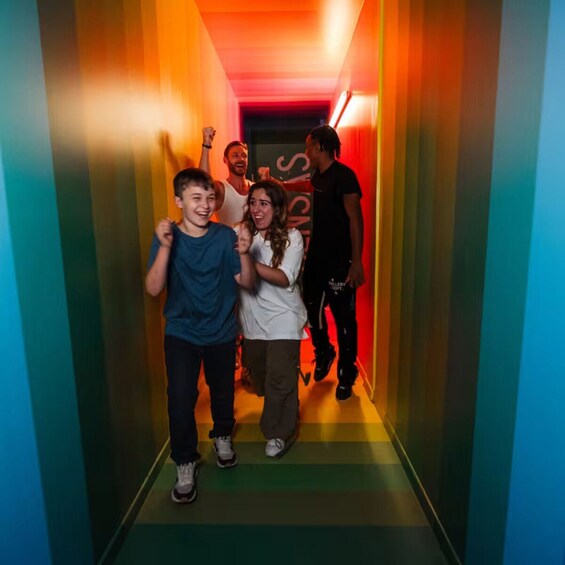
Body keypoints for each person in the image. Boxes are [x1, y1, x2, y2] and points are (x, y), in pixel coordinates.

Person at [146, 167, 255, 504]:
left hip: (221, 331)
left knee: (223, 391)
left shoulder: (224, 237)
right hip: (181, 332)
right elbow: (153, 288)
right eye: (196, 198)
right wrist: (165, 247)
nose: (205, 205)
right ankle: (185, 461)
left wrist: (244, 252)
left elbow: (247, 283)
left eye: (209, 197)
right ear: (179, 201)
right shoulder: (168, 237)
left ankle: (222, 435)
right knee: (180, 399)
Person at [238, 179, 307, 458]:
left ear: (277, 208)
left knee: (279, 379)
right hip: (252, 322)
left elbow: (284, 277)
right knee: (260, 379)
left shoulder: (293, 237)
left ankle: (278, 433)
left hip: (284, 319)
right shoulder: (241, 234)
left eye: (264, 204)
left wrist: (246, 258)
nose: (256, 209)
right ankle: (286, 403)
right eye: (253, 203)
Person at [302, 125, 365, 401]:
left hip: (341, 263)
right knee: (311, 309)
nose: (306, 152)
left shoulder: (345, 176)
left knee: (344, 319)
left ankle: (346, 374)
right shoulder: (318, 175)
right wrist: (281, 186)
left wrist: (356, 262)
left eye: (308, 147)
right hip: (317, 259)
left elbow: (356, 220)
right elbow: (309, 187)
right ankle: (324, 351)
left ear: (319, 147)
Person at [199, 127, 253, 226]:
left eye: (244, 156)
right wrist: (206, 146)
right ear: (225, 160)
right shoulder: (222, 189)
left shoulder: (255, 188)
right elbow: (204, 185)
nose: (240, 159)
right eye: (235, 155)